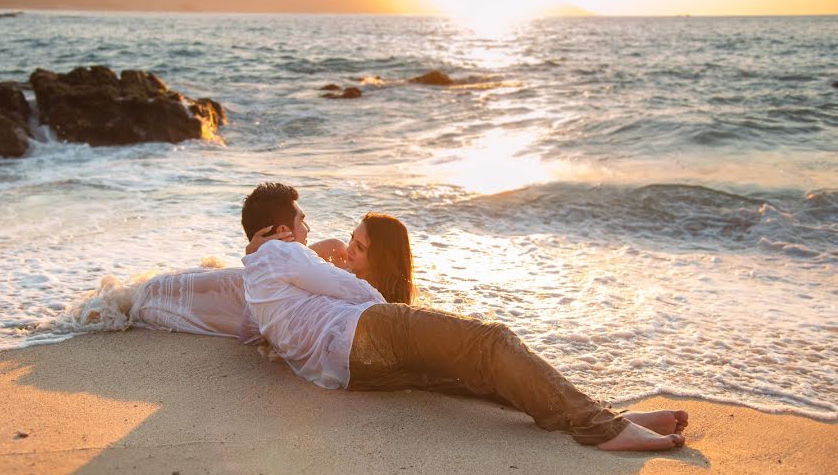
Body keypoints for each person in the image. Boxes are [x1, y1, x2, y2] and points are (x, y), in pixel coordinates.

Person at [241, 182, 689, 451]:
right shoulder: (280, 253)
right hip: (364, 331)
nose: (307, 229)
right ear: (281, 231)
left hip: (348, 372)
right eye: (301, 220)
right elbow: (352, 290)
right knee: (490, 342)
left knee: (471, 377)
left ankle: (605, 415)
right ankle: (605, 431)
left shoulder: (257, 278)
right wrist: (373, 294)